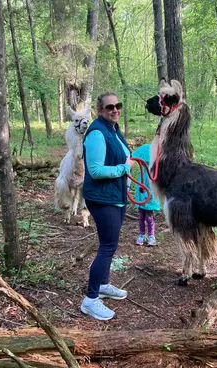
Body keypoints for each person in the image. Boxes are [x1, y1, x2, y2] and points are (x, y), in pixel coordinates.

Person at [80, 92, 134, 321]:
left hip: (116, 195)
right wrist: (124, 169)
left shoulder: (113, 129)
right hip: (103, 198)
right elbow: (95, 170)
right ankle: (90, 300)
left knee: (109, 245)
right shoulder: (96, 133)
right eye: (109, 107)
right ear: (100, 110)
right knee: (107, 247)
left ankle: (103, 284)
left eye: (118, 105)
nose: (115, 110)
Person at [132, 144, 161, 246]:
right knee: (141, 216)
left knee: (149, 216)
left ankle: (151, 235)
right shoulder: (142, 171)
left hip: (150, 190)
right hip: (141, 190)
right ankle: (141, 234)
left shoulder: (155, 172)